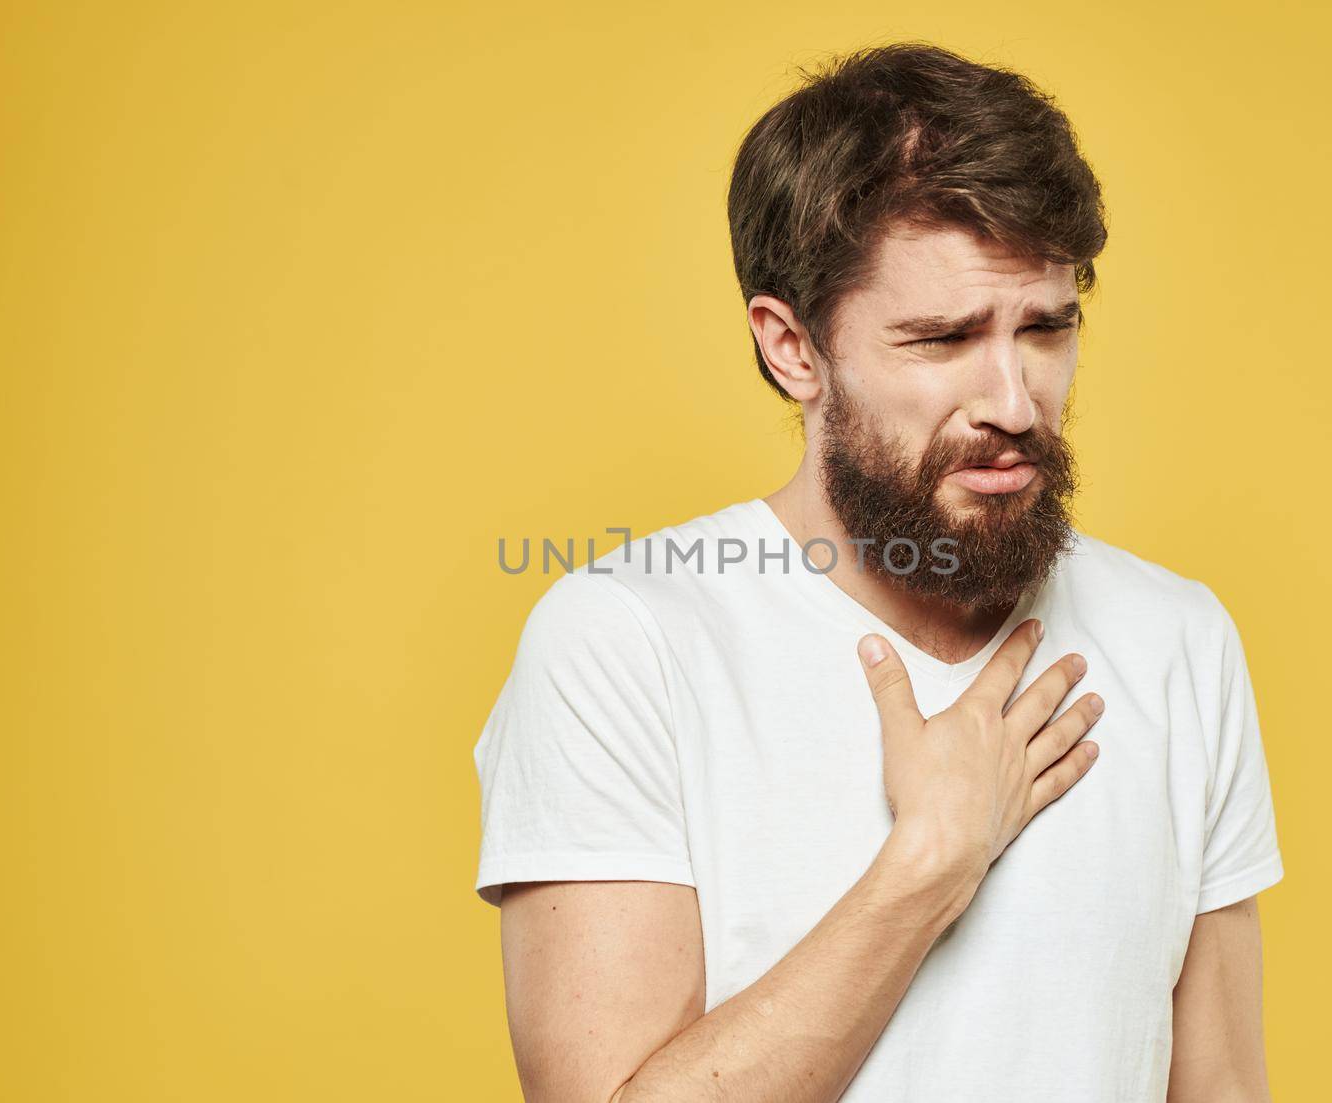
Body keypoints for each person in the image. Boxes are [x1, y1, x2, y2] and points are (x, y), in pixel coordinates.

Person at [473, 41, 1284, 1102]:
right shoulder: (623, 642)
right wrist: (930, 862)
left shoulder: (1177, 636)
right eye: (941, 338)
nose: (1012, 397)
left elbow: (1219, 1086)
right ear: (791, 347)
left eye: (1045, 326)